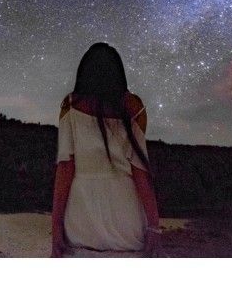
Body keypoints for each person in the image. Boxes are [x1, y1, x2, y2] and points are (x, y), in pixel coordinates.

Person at [51, 42, 162, 257]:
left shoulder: (71, 104)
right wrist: (154, 226)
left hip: (82, 218)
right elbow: (140, 170)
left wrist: (56, 227)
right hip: (126, 220)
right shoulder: (133, 106)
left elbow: (65, 166)